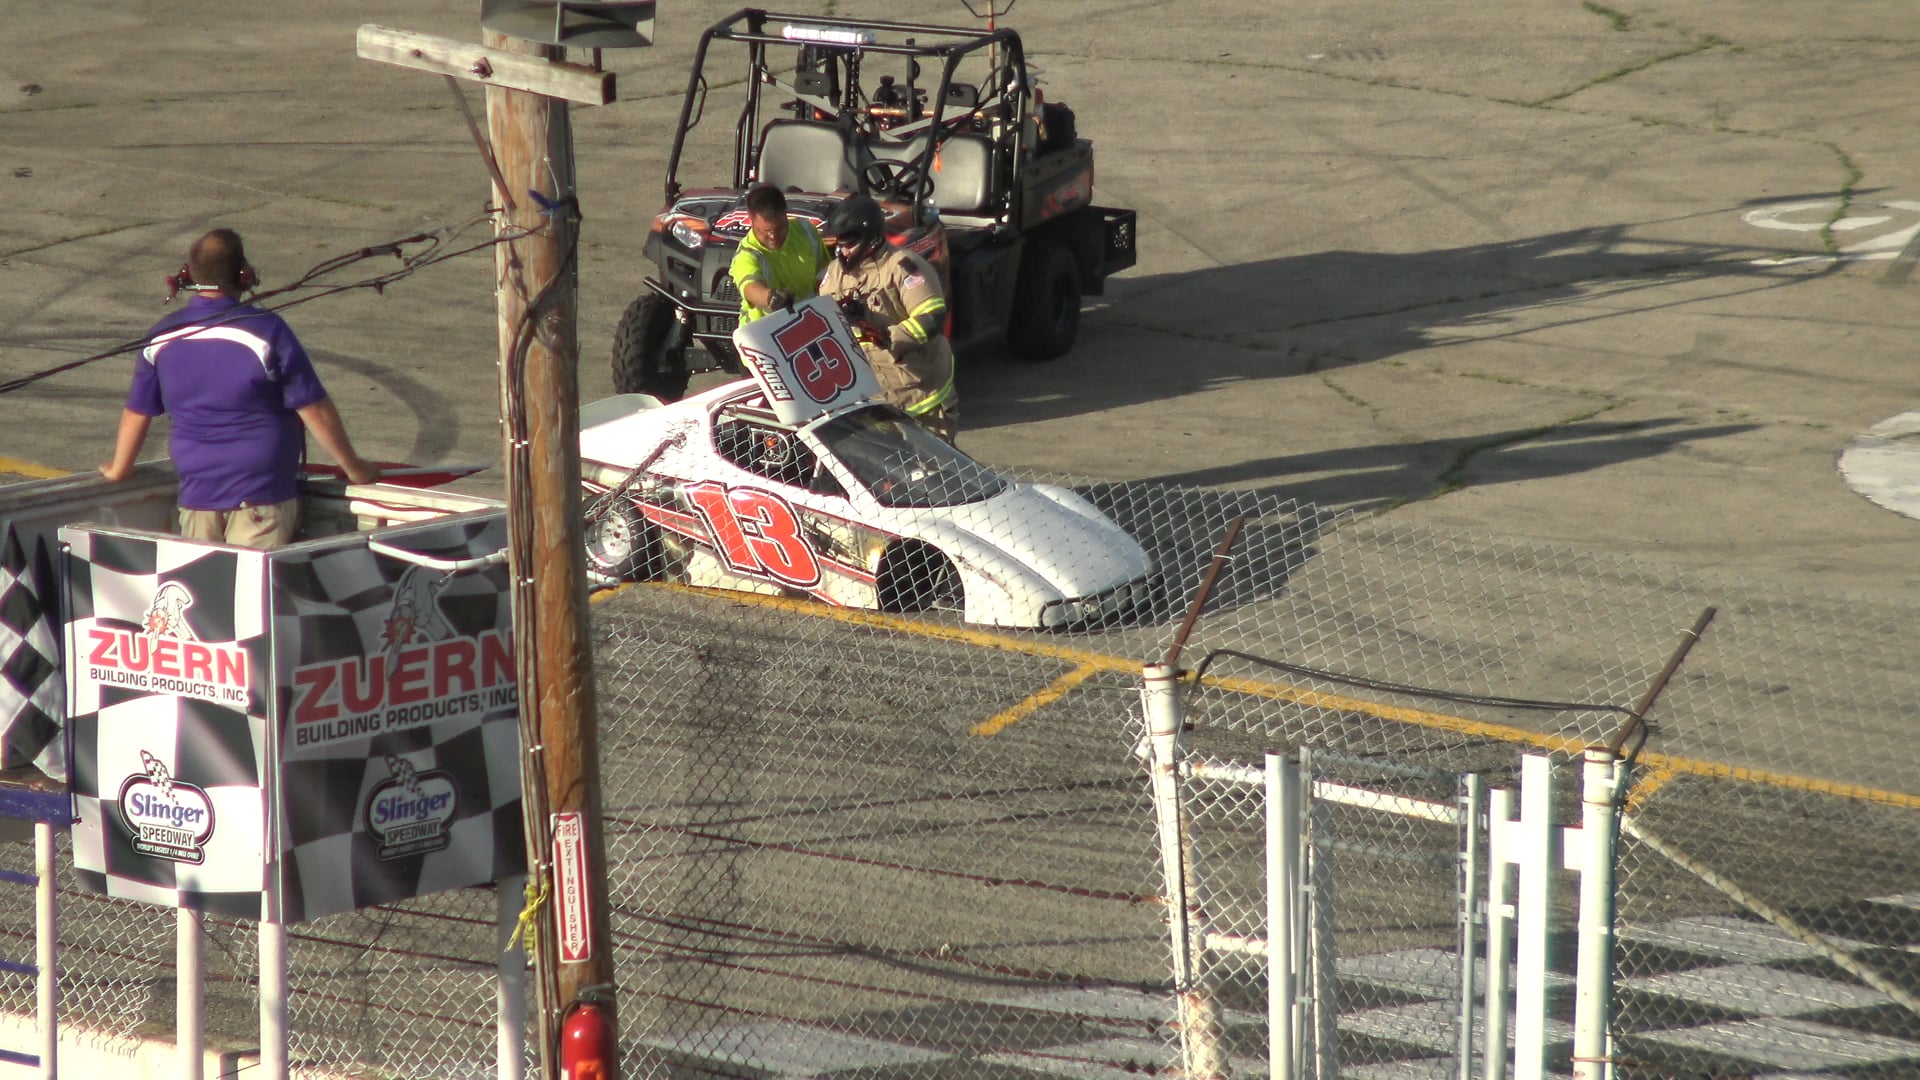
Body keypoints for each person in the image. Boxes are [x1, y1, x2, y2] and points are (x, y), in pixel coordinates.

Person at [100, 228, 380, 549]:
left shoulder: (160, 337)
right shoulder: (268, 332)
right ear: (244, 276)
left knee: (205, 585)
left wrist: (119, 468)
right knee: (250, 590)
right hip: (260, 492)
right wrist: (354, 468)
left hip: (198, 494)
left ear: (188, 275)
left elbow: (138, 411)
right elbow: (313, 408)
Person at [819, 195, 957, 443]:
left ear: (869, 239)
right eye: (840, 245)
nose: (843, 252)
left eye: (849, 244)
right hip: (877, 397)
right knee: (885, 475)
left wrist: (887, 336)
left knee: (938, 474)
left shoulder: (904, 267)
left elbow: (932, 317)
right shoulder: (836, 273)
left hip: (921, 393)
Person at [729, 183, 830, 324]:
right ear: (751, 218)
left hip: (807, 323)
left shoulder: (806, 232)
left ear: (785, 213)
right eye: (766, 231)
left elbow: (826, 275)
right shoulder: (747, 254)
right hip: (765, 332)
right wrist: (771, 298)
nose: (774, 236)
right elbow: (750, 288)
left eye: (780, 228)